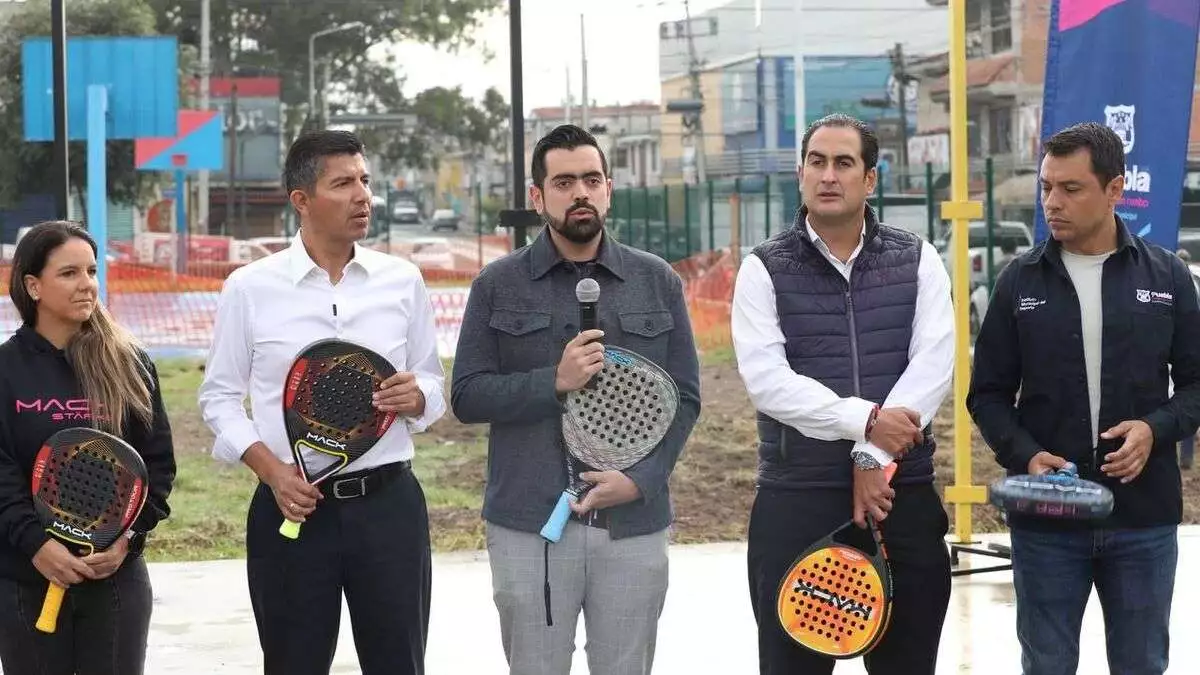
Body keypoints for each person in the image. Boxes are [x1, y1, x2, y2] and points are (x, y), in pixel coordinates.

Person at [450, 124, 701, 675]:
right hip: (529, 524)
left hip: (634, 523)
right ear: (538, 197)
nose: (580, 192)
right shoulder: (498, 285)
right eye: (563, 182)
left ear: (609, 188)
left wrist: (641, 480)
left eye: (591, 179)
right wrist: (552, 381)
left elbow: (684, 397)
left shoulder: (655, 280)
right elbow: (467, 396)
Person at [197, 130, 446, 675]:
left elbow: (432, 387)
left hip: (390, 509)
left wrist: (416, 395)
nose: (363, 196)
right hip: (292, 510)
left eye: (365, 181)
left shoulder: (403, 282)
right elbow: (218, 398)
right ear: (301, 200)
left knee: (400, 662)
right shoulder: (249, 287)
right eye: (344, 183)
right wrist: (272, 472)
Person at [968, 121, 1200, 675]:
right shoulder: (1018, 282)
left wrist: (1154, 429)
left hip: (1143, 519)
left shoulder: (1166, 276)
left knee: (1141, 663)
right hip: (1046, 523)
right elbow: (988, 394)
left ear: (1115, 189)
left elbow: (1196, 385)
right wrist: (1025, 456)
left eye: (1070, 189)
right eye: (1047, 186)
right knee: (1046, 665)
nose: (1053, 202)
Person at [732, 113, 955, 675]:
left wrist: (872, 455)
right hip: (797, 499)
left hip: (899, 498)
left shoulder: (918, 259)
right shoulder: (763, 268)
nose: (828, 176)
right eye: (816, 162)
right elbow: (768, 382)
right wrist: (865, 421)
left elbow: (934, 365)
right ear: (800, 174)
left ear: (870, 179)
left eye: (844, 163)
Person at [0, 220, 176, 675]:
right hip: (25, 579)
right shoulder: (5, 369)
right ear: (33, 285)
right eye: (69, 273)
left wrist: (126, 541)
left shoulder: (129, 362)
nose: (87, 285)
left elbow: (157, 466)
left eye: (92, 271)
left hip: (115, 581)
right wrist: (38, 547)